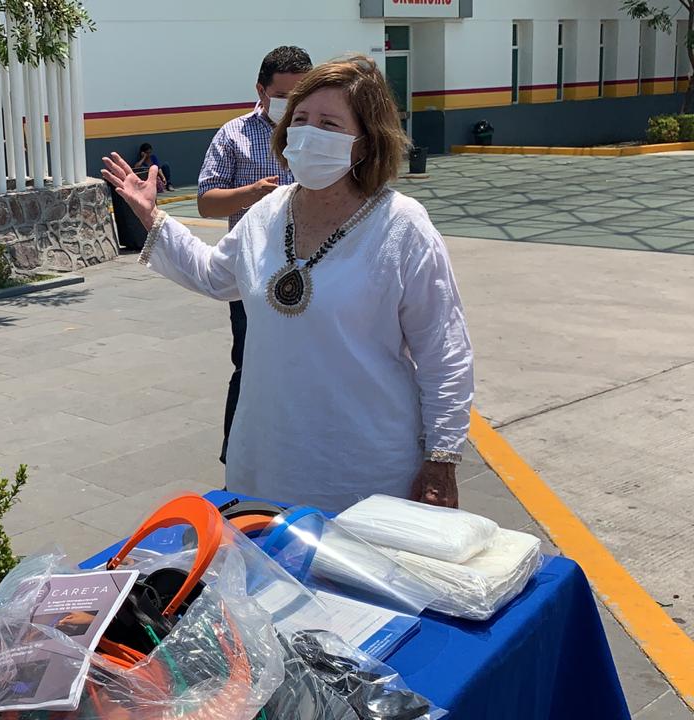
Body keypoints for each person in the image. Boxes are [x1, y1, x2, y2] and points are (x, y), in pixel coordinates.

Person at [101, 56, 473, 512]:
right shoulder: (268, 211)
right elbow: (213, 275)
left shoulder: (402, 226)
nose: (308, 133)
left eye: (329, 124)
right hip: (267, 458)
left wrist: (441, 459)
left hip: (365, 469)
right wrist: (151, 216)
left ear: (365, 143)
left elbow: (444, 354)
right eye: (300, 119)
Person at [196, 45, 312, 466]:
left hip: (316, 268)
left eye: (301, 95)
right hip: (253, 274)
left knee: (310, 366)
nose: (291, 105)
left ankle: (298, 450)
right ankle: (238, 457)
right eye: (282, 96)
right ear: (260, 90)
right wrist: (252, 194)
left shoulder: (319, 132)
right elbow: (206, 202)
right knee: (250, 363)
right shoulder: (234, 135)